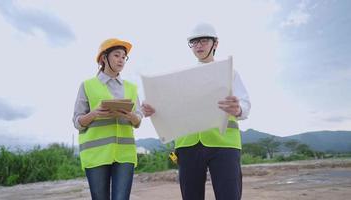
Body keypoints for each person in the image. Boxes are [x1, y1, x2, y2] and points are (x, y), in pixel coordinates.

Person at [142, 23, 251, 200]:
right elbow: (168, 106)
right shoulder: (181, 77)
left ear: (215, 43)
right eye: (194, 42)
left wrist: (238, 109)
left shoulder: (230, 72)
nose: (198, 45)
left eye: (203, 40)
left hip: (224, 144)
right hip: (188, 145)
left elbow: (245, 104)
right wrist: (152, 108)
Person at [73, 38, 143, 200]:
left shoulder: (131, 88)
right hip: (96, 155)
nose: (121, 60)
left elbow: (138, 120)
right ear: (104, 58)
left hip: (124, 155)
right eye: (117, 55)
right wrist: (94, 114)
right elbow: (77, 122)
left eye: (124, 56)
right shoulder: (87, 86)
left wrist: (131, 116)